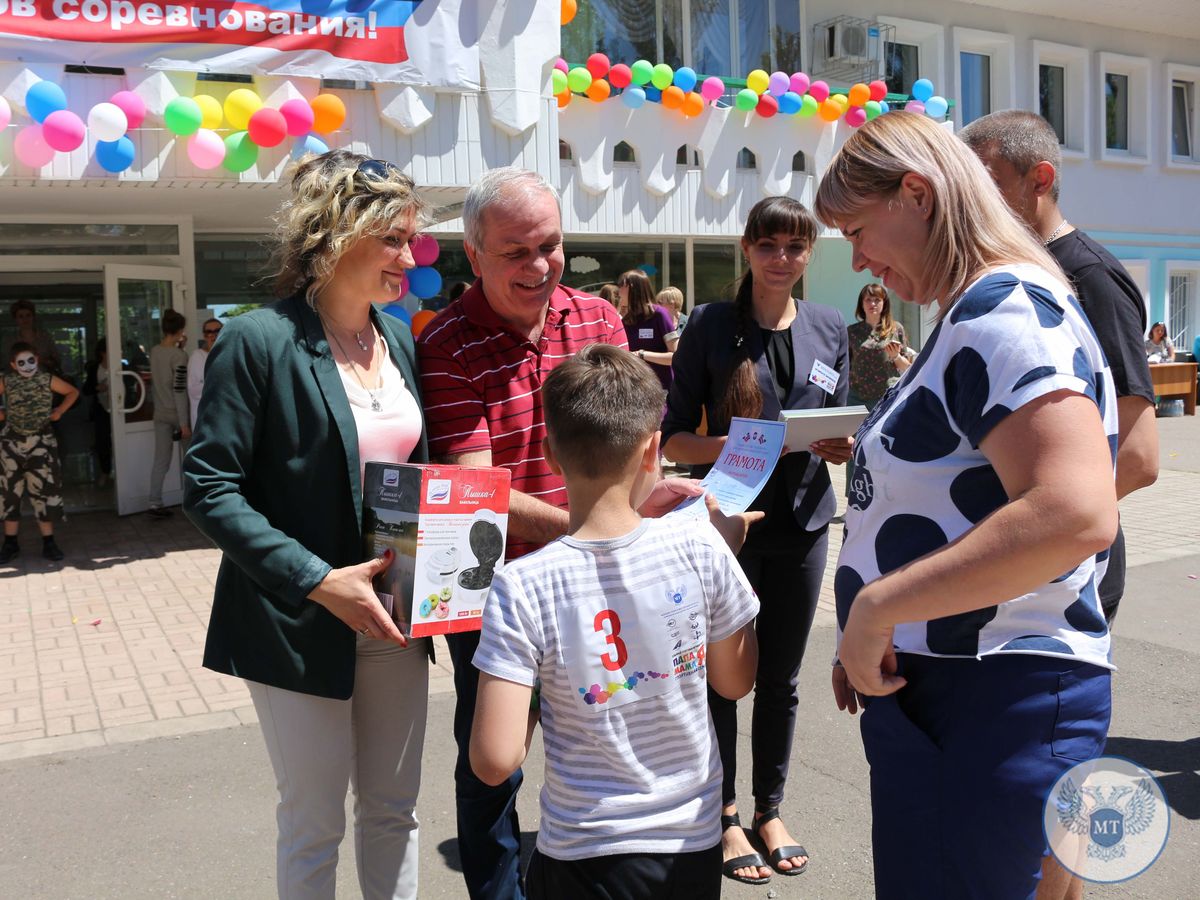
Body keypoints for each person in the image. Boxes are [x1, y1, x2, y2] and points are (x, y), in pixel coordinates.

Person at [816, 112, 1119, 900]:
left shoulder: (1001, 311)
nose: (857, 260)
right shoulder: (979, 310)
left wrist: (878, 610)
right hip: (964, 691)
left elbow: (1075, 510)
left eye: (855, 229)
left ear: (916, 194)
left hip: (988, 697)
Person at [418, 166, 702, 900]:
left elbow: (633, 434)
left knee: (617, 727)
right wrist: (598, 524)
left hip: (599, 572)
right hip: (496, 587)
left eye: (551, 245)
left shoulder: (598, 320)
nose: (540, 266)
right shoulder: (447, 341)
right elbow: (476, 489)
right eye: (516, 251)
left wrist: (652, 495)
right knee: (493, 758)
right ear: (473, 254)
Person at [184, 150, 431, 900]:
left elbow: (420, 473)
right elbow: (209, 484)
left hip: (393, 618)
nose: (408, 256)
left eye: (411, 238)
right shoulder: (259, 339)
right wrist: (318, 580)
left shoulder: (402, 338)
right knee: (314, 822)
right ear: (336, 233)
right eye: (392, 238)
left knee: (395, 813)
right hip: (297, 619)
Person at [470, 343, 761, 900]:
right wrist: (728, 563)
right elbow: (735, 681)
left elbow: (494, 759)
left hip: (583, 849)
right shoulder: (702, 548)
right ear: (654, 450)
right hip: (690, 842)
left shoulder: (521, 583)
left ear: (551, 455)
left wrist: (538, 685)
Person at [662, 195, 851, 885]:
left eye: (795, 247)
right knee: (720, 679)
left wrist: (839, 442)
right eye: (768, 245)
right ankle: (723, 815)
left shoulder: (831, 324)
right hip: (724, 526)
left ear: (808, 254)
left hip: (802, 522)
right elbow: (673, 436)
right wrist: (736, 446)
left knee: (782, 680)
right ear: (747, 249)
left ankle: (769, 808)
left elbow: (837, 419)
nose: (782, 258)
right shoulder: (712, 325)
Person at [0, 343, 79, 562]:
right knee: (10, 494)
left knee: (42, 492)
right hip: (12, 444)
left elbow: (72, 392)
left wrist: (59, 411)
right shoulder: (7, 380)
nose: (27, 366)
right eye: (21, 363)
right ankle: (10, 543)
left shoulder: (47, 379)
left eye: (31, 360)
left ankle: (49, 542)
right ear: (13, 365)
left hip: (41, 443)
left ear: (37, 358)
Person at [147, 310, 190, 518]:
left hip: (159, 412)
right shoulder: (179, 356)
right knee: (190, 459)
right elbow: (179, 388)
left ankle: (155, 502)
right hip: (177, 413)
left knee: (160, 461)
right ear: (180, 330)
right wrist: (184, 423)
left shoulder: (154, 350)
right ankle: (194, 501)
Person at [846, 283, 914, 408]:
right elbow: (845, 365)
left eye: (877, 300)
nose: (872, 304)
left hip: (886, 397)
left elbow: (907, 367)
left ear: (884, 303)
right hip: (856, 398)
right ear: (862, 304)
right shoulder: (851, 332)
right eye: (868, 300)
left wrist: (896, 356)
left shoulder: (895, 329)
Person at [619, 269, 677, 390]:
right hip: (634, 390)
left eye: (621, 287)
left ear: (632, 288)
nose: (618, 292)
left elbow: (675, 356)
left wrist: (642, 355)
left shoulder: (659, 314)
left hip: (661, 390)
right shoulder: (625, 320)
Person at [81, 339, 113, 489]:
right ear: (102, 353)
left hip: (119, 409)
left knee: (119, 441)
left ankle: (121, 472)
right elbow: (86, 389)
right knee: (103, 442)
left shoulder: (122, 366)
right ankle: (105, 472)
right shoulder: (95, 368)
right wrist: (97, 387)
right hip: (101, 409)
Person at [7, 300, 61, 377]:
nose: (25, 319)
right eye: (21, 316)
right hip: (18, 381)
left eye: (28, 315)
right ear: (16, 319)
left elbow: (57, 361)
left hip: (44, 379)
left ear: (33, 317)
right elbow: (6, 364)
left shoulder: (45, 337)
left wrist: (42, 360)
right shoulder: (10, 340)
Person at [187, 318, 222, 427]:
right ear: (204, 336)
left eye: (217, 331)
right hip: (204, 422)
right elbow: (193, 390)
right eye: (209, 332)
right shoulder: (197, 357)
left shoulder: (230, 356)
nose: (213, 335)